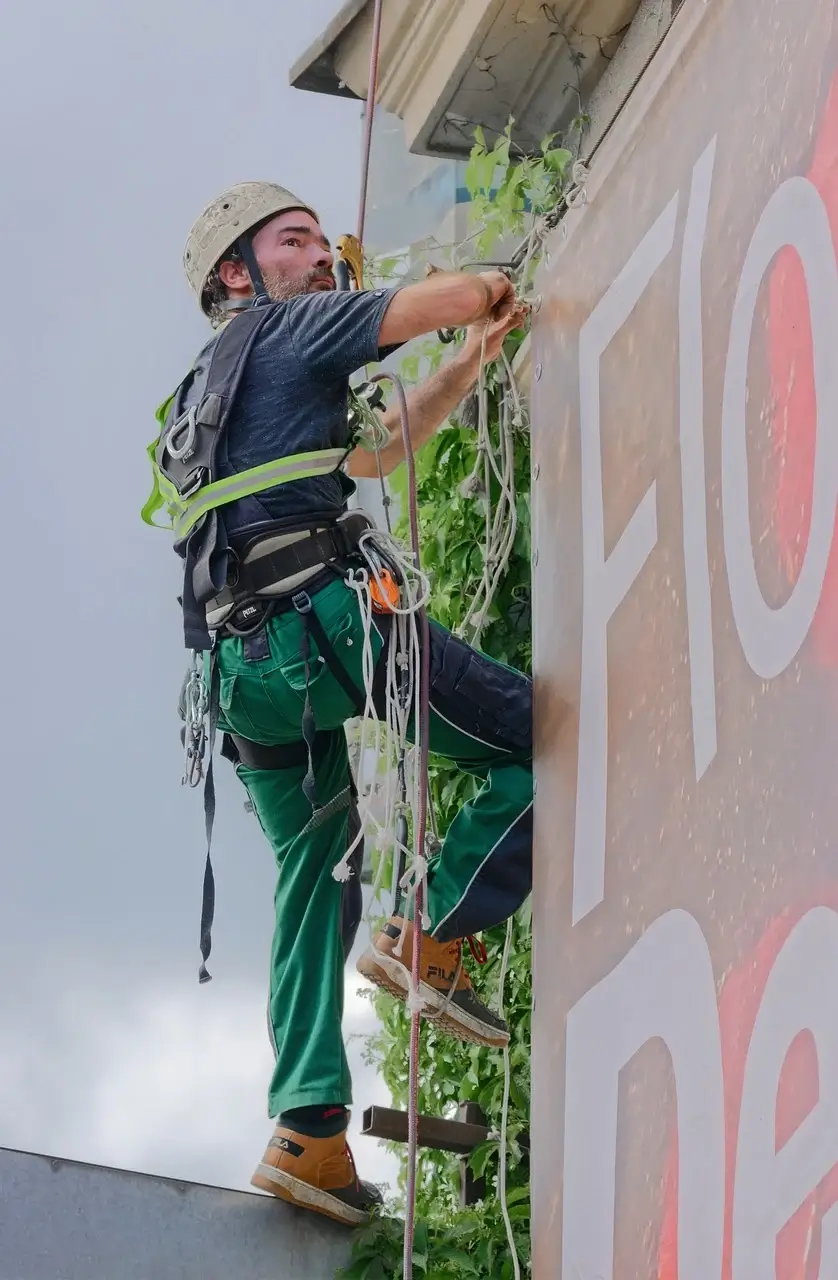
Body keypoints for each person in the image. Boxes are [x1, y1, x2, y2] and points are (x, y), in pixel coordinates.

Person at [150, 182, 533, 1226]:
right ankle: (437, 934)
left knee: (319, 870)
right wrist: (493, 287)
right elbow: (430, 299)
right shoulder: (288, 322)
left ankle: (307, 1129)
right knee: (533, 737)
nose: (321, 253)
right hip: (325, 625)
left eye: (320, 238)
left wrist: (466, 367)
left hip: (237, 681)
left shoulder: (205, 393)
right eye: (294, 238)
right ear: (239, 271)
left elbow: (366, 454)